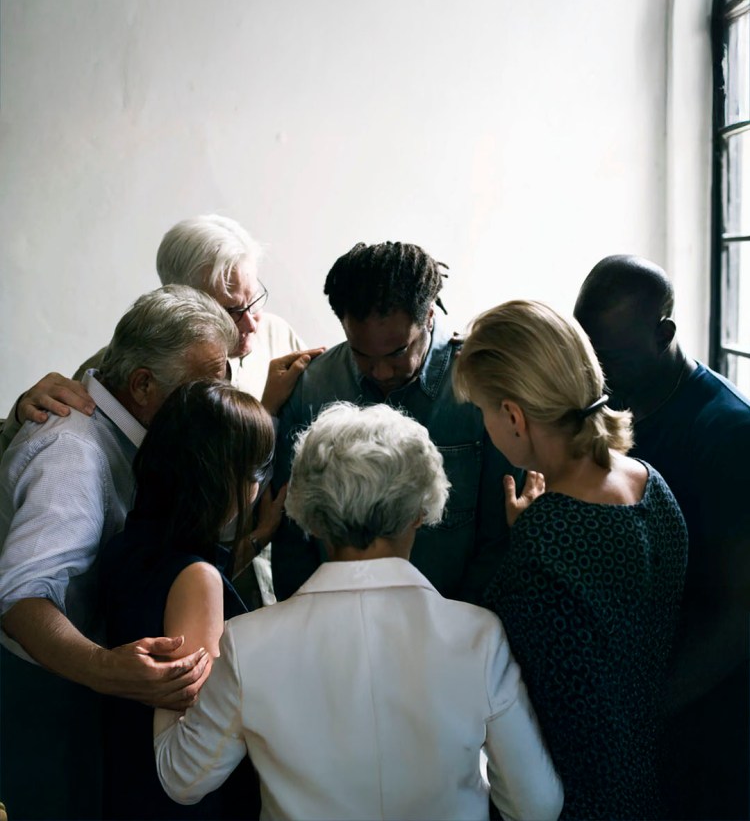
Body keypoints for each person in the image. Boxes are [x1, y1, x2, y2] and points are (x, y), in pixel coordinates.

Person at [153, 402, 564, 821]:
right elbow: (536, 805)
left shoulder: (247, 643)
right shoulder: (478, 636)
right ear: (422, 512)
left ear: (310, 517)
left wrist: (169, 674)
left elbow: (183, 779)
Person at [0, 285, 240, 820]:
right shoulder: (75, 453)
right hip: (47, 699)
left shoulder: (133, 426)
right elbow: (21, 600)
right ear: (142, 385)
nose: (218, 396)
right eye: (206, 384)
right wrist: (106, 670)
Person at [453, 299, 687, 820]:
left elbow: (514, 683)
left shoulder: (545, 538)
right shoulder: (652, 484)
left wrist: (528, 537)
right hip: (651, 774)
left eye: (485, 410)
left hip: (577, 794)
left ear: (513, 416)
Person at [574, 254, 750, 821]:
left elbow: (737, 617)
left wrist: (641, 714)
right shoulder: (615, 405)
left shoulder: (728, 434)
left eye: (611, 356)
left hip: (707, 717)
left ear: (665, 333)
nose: (595, 374)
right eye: (587, 352)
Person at [272, 241, 521, 603]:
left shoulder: (481, 386)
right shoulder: (310, 388)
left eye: (398, 352)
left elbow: (497, 537)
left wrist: (460, 627)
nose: (381, 371)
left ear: (430, 315)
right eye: (360, 353)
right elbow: (293, 537)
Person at [101, 379, 280, 820]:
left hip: (121, 777)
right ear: (229, 479)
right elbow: (194, 737)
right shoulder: (196, 578)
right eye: (255, 472)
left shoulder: (130, 544)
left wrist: (257, 538)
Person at [0, 214, 322, 454]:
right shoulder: (118, 370)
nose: (252, 324)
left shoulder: (278, 336)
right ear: (180, 299)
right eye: (231, 311)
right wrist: (20, 417)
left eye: (254, 300)